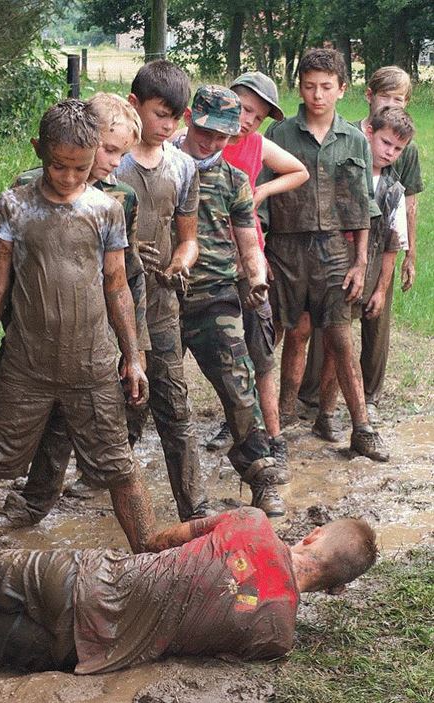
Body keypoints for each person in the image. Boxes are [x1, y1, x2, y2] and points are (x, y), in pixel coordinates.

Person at [0, 95, 153, 556]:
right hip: (25, 365)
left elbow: (118, 286)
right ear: (40, 151)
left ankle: (155, 562)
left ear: (95, 153)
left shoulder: (106, 209)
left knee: (119, 466)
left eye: (80, 168)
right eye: (59, 167)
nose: (70, 178)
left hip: (92, 367)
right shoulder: (14, 205)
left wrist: (133, 357)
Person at [0, 507, 378, 674]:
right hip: (89, 652)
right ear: (334, 589)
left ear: (313, 535)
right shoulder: (278, 635)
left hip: (89, 578)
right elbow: (214, 653)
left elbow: (163, 540)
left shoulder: (253, 522)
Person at [260, 47, 388, 461]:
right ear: (298, 87)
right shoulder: (278, 136)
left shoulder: (354, 138)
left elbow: (364, 206)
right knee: (293, 334)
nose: (317, 95)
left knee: (339, 336)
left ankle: (361, 428)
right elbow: (259, 202)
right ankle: (282, 421)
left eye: (326, 87)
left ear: (342, 90)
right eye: (310, 86)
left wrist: (361, 260)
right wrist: (260, 254)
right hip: (285, 247)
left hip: (335, 248)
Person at [173, 84, 290, 517]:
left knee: (240, 391)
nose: (212, 142)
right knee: (140, 391)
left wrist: (257, 279)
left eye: (222, 136)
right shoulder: (163, 165)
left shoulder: (234, 181)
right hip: (163, 297)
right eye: (205, 131)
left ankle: (261, 477)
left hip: (215, 296)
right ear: (189, 118)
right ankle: (104, 473)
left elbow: (249, 243)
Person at [298, 66, 424, 428]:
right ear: (369, 96)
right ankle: (315, 399)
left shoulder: (405, 154)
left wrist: (408, 256)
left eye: (398, 99)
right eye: (385, 97)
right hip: (338, 252)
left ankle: (368, 395)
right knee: (330, 327)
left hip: (380, 243)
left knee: (374, 317)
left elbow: (406, 207)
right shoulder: (350, 134)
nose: (390, 151)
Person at [116, 60, 212, 521]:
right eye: (160, 114)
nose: (168, 125)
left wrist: (179, 262)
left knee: (175, 405)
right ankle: (98, 481)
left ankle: (196, 510)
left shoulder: (183, 166)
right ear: (135, 105)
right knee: (118, 398)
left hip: (161, 304)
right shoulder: (112, 163)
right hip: (113, 306)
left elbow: (189, 237)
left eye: (176, 116)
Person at [204, 72, 308, 476]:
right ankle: (232, 424)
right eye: (245, 109)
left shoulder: (257, 145)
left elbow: (298, 170)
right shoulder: (194, 141)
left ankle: (274, 438)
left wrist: (260, 192)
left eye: (258, 116)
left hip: (249, 263)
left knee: (260, 353)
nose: (248, 121)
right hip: (204, 266)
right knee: (217, 356)